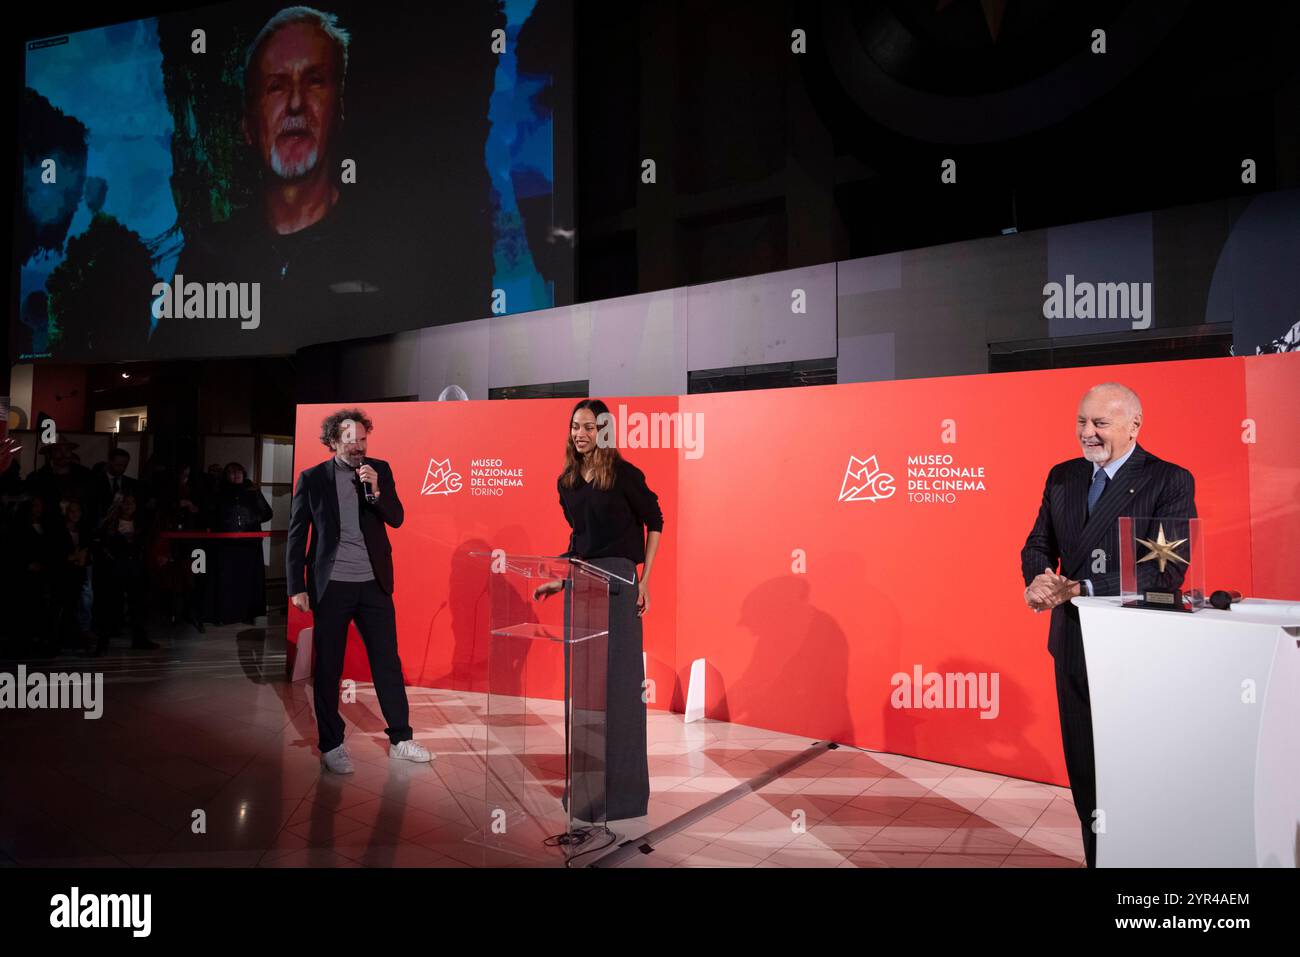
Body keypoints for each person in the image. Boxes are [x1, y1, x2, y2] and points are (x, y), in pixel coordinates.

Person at [1020, 382, 1196, 868]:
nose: (1087, 433)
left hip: (1136, 648)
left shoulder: (1169, 480)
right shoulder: (1063, 477)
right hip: (1074, 644)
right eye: (1082, 422)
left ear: (1134, 426)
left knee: (1133, 772)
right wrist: (1039, 577)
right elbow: (1038, 542)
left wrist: (1080, 589)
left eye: (1100, 423)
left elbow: (1165, 568)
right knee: (1086, 772)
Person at [535, 398, 662, 822]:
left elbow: (655, 521)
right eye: (575, 427)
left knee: (621, 692)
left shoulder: (624, 474)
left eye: (589, 427)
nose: (580, 434)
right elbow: (580, 539)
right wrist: (562, 580)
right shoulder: (567, 481)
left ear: (604, 430)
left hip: (620, 585)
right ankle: (589, 791)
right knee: (586, 692)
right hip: (582, 586)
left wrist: (643, 580)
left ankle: (623, 797)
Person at [286, 408, 432, 772]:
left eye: (363, 440)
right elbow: (296, 535)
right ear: (333, 441)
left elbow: (396, 518)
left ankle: (401, 738)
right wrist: (296, 587)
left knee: (387, 663)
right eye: (350, 441)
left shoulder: (378, 470)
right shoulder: (313, 478)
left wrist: (377, 491)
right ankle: (331, 744)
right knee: (329, 666)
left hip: (374, 585)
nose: (358, 447)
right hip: (331, 586)